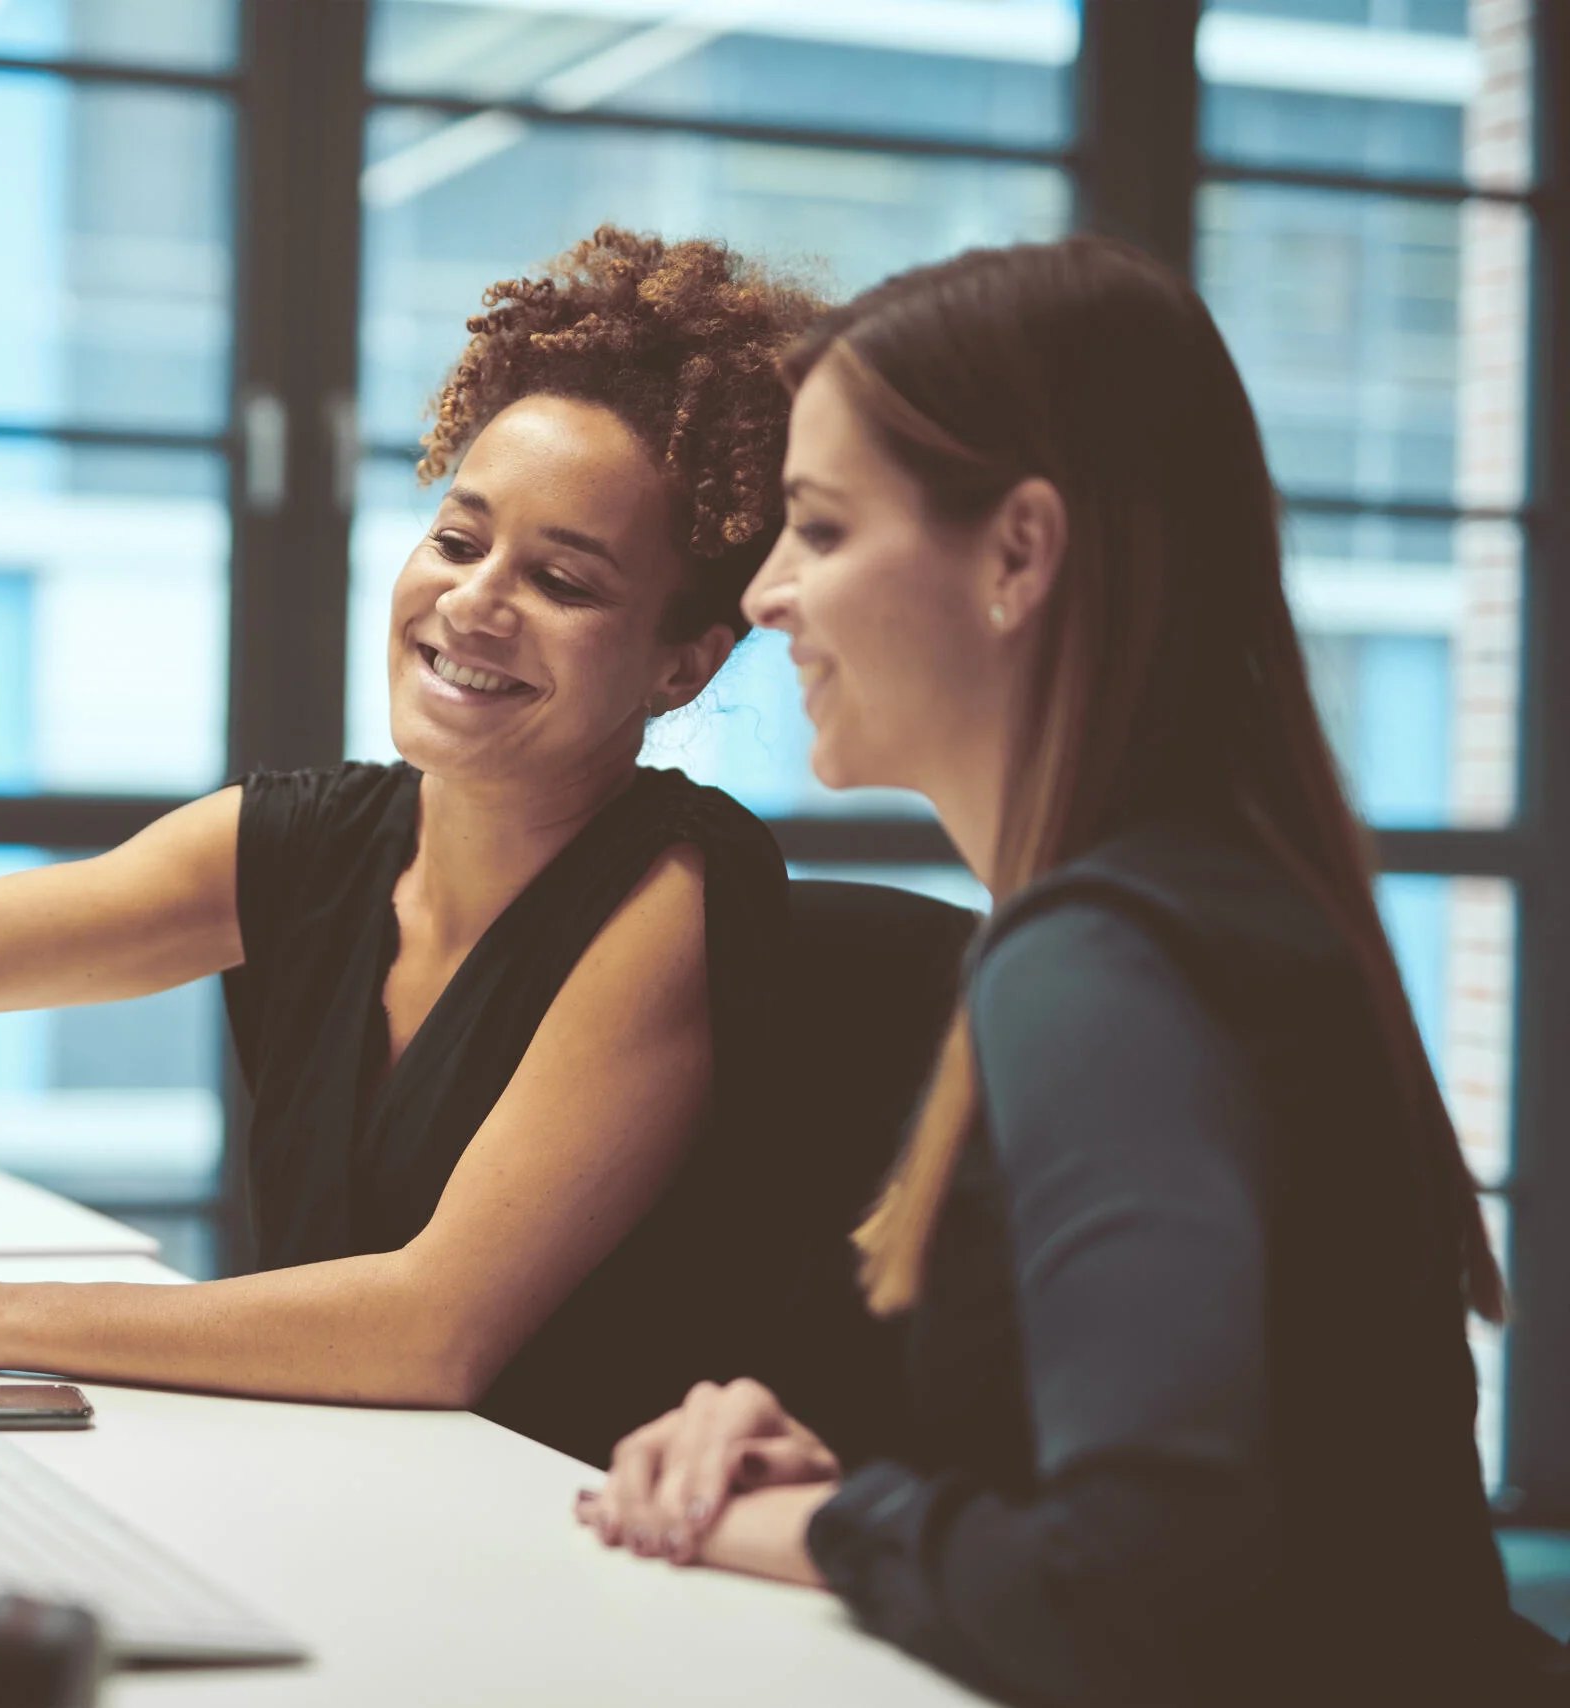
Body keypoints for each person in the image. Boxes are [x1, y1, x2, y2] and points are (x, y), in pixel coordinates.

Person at [0, 228, 903, 1467]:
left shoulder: (672, 895)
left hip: (565, 1541)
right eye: (457, 537)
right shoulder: (307, 843)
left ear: (682, 664)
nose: (474, 601)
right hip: (339, 1484)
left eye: (563, 583)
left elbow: (431, 1329)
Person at [575, 235, 1566, 1704]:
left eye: (826, 530)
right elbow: (1242, 1531)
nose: (772, 592)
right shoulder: (1207, 904)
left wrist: (841, 1524)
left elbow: (1137, 1594)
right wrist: (871, 1493)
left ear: (1020, 555)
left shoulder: (1100, 962)